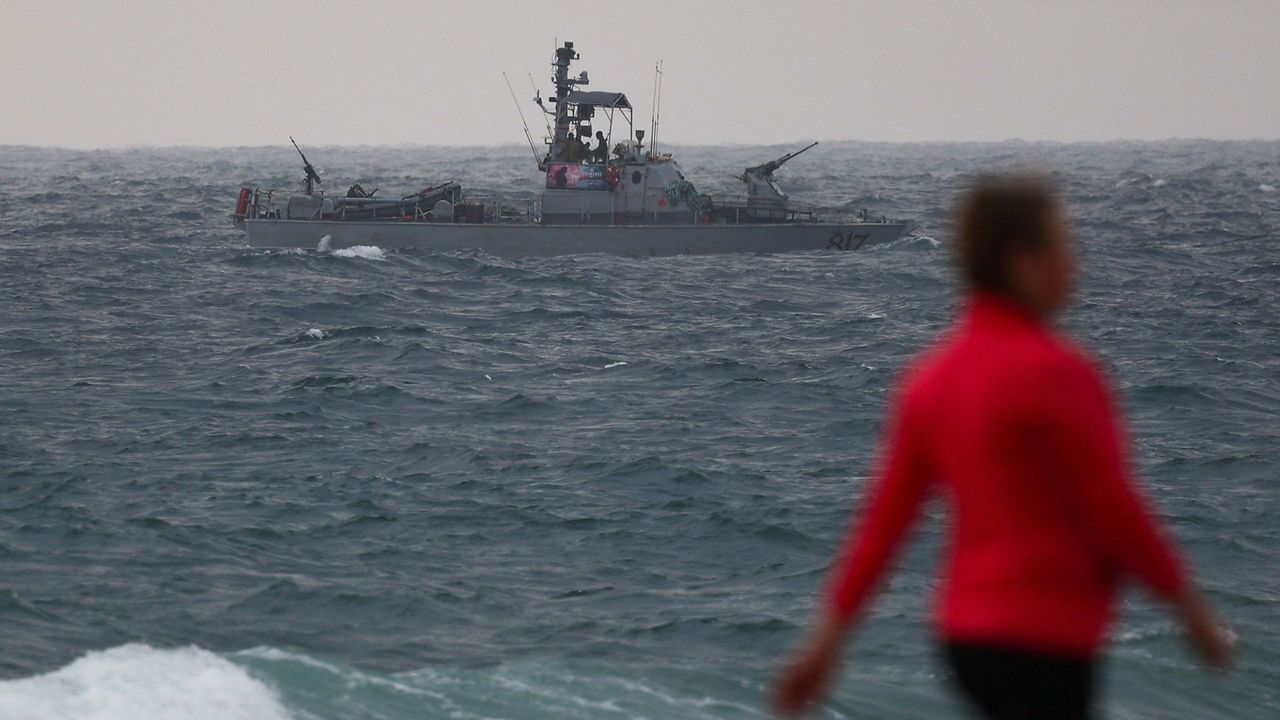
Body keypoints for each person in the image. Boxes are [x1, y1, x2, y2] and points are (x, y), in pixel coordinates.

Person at [773, 174, 1232, 719]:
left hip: (966, 638)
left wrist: (825, 644)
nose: (1075, 262)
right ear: (1023, 261)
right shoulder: (1062, 372)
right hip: (1049, 634)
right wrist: (1192, 612)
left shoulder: (930, 379)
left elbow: (884, 524)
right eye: (1063, 244)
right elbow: (1115, 508)